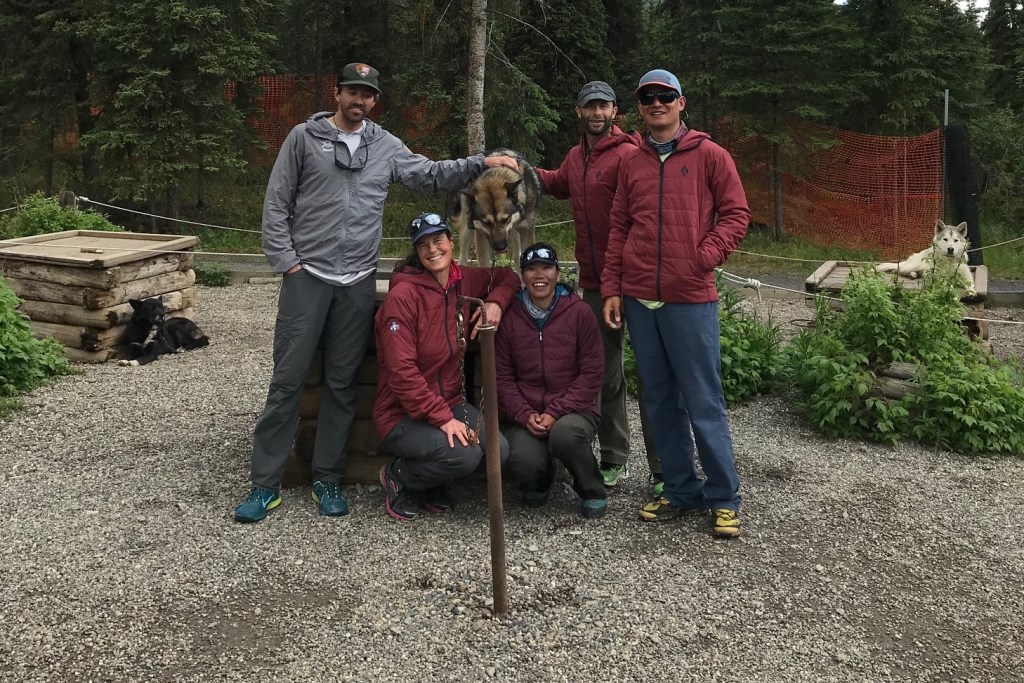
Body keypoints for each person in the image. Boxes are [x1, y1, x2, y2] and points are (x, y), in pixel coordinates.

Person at [234, 63, 518, 523]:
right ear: (338, 92)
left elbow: (428, 174)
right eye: (352, 91)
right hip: (308, 277)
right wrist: (287, 262)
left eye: (367, 94)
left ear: (374, 100)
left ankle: (327, 478)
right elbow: (277, 201)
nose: (359, 100)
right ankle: (264, 483)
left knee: (342, 384)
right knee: (288, 380)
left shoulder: (383, 145)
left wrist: (478, 163)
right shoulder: (302, 139)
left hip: (357, 282)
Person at [601, 69, 749, 538]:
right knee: (659, 399)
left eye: (665, 96)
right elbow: (619, 226)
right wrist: (612, 287)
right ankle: (680, 490)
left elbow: (737, 213)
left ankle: (723, 497)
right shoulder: (631, 162)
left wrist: (702, 257)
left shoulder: (710, 155)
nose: (656, 103)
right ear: (640, 106)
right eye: (648, 97)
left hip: (690, 298)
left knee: (703, 400)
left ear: (681, 102)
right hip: (640, 300)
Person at [534, 81, 663, 495]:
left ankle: (663, 467)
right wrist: (518, 167)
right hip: (593, 283)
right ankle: (614, 456)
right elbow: (555, 183)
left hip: (635, 281)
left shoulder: (629, 155)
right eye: (590, 106)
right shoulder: (576, 157)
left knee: (651, 375)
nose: (597, 113)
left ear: (615, 111)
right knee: (604, 375)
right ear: (578, 111)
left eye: (604, 106)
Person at [374, 212, 520, 521]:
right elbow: (402, 374)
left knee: (498, 450)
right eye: (423, 245)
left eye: (438, 240)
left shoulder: (461, 279)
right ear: (417, 252)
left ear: (451, 242)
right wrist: (443, 419)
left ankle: (433, 482)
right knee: (464, 453)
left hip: (449, 402)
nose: (432, 250)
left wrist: (495, 302)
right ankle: (399, 475)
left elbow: (510, 277)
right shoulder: (402, 296)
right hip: (400, 414)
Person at [495, 243, 608, 518]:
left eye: (546, 268)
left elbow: (592, 372)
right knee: (521, 457)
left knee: (566, 435)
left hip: (573, 409)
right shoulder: (510, 317)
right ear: (522, 276)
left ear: (557, 273)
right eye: (530, 269)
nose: (539, 275)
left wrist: (556, 412)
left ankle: (591, 488)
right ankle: (540, 480)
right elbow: (502, 377)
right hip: (527, 411)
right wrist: (525, 414)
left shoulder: (579, 312)